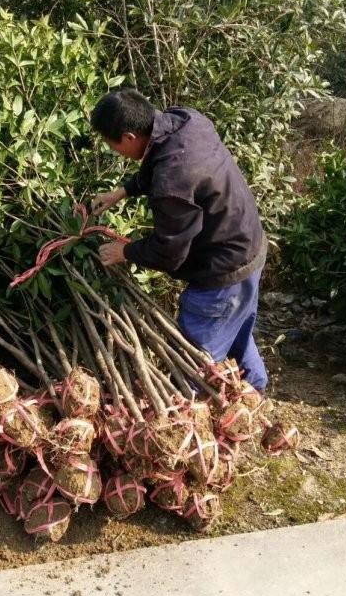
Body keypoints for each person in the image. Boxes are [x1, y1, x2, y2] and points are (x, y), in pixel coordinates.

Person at [90, 88, 269, 393]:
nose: (113, 150)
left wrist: (126, 251)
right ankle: (255, 393)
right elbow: (163, 158)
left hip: (221, 271)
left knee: (195, 360)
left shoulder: (170, 182)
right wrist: (123, 191)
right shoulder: (186, 121)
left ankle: (197, 416)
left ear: (130, 137)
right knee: (236, 329)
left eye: (111, 144)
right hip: (250, 249)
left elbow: (169, 250)